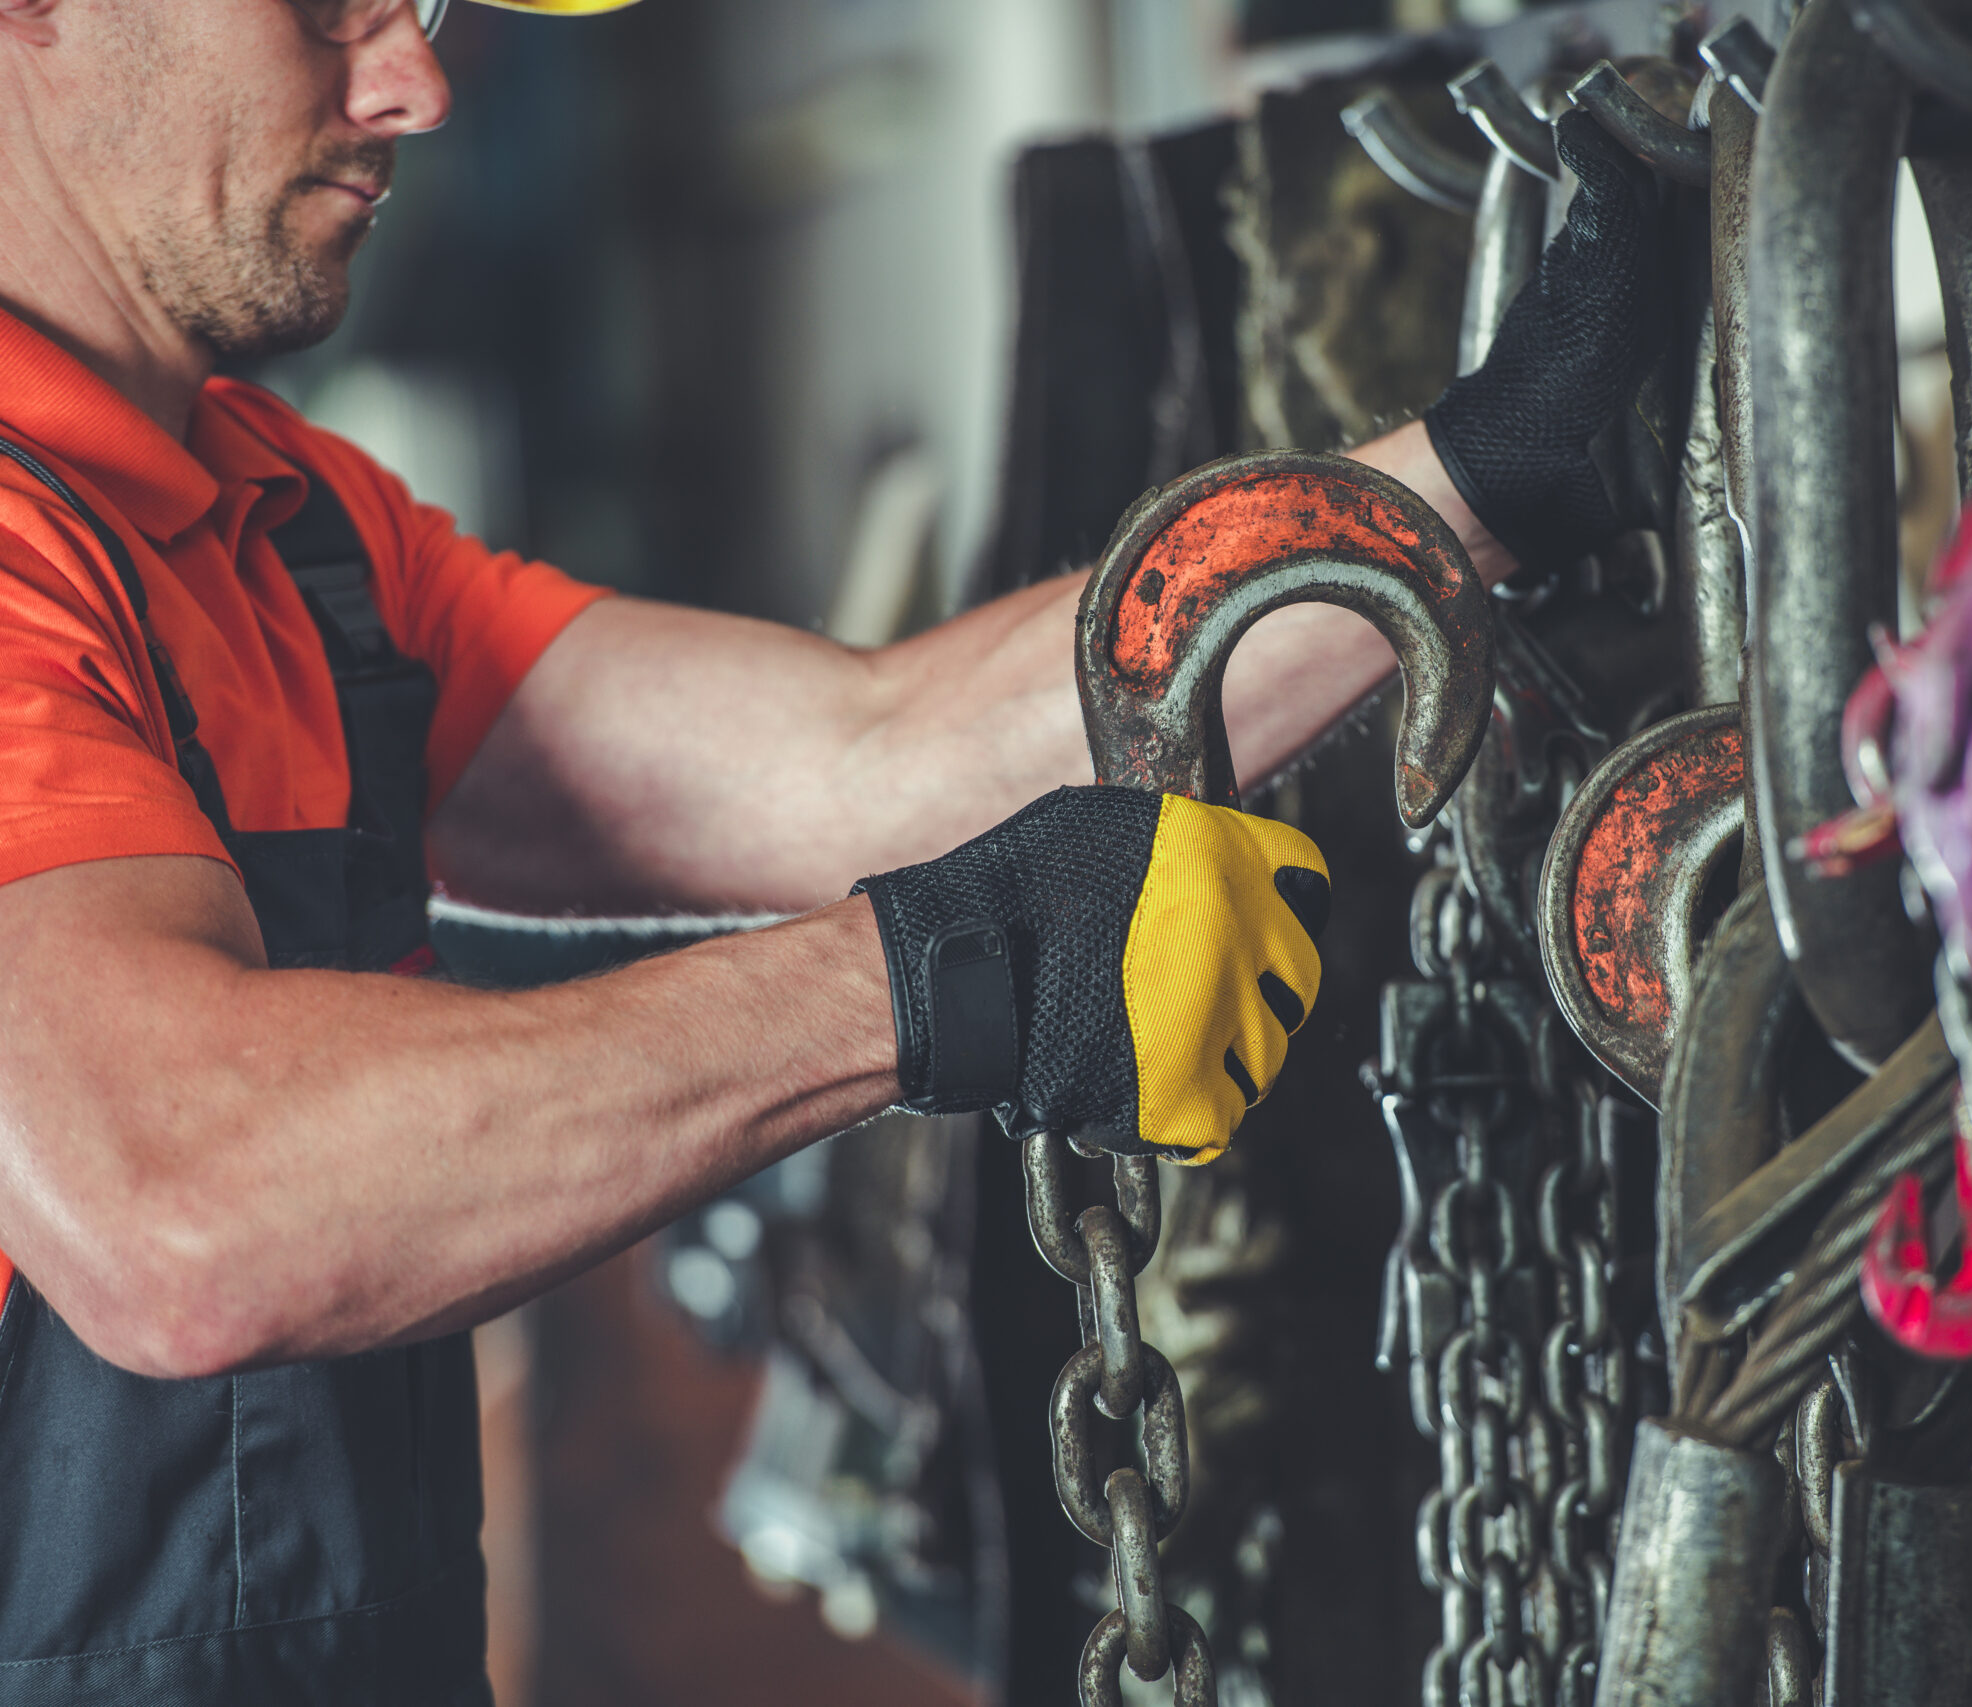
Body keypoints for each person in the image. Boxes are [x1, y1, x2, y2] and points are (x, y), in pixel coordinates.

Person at [0, 0, 1670, 1699]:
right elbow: (184, 1205)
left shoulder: (281, 526)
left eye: (420, 5)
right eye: (322, 6)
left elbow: (868, 758)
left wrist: (1486, 483)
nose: (417, 85)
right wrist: (942, 975)